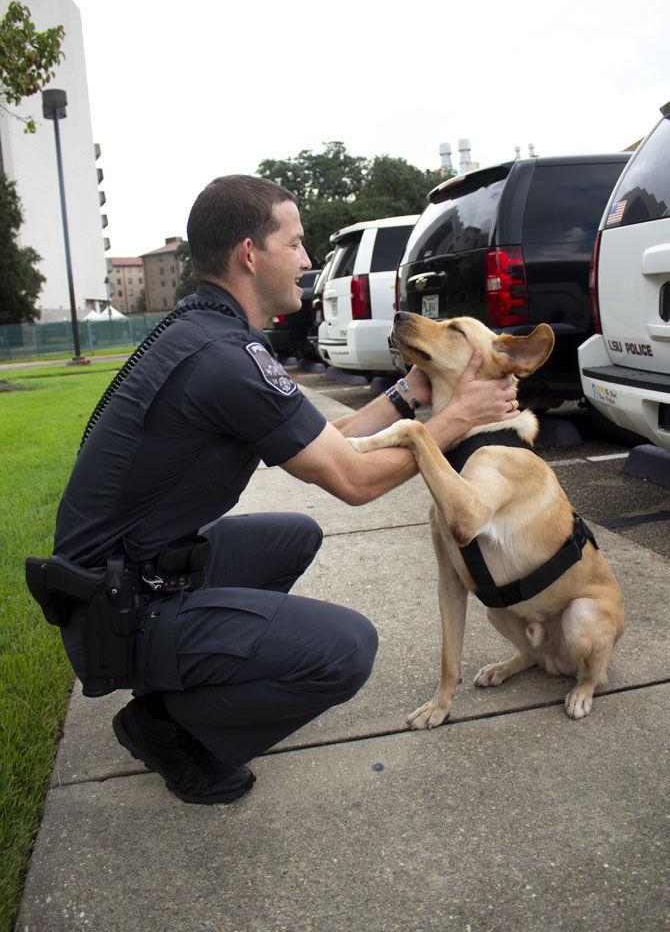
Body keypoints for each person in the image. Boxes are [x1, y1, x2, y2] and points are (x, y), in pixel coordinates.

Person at [53, 175, 519, 805]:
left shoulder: (211, 335)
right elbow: (354, 481)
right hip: (115, 608)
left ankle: (186, 679)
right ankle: (171, 730)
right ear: (250, 253)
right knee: (346, 649)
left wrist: (412, 394)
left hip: (120, 581)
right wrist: (459, 416)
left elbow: (332, 443)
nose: (307, 261)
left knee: (292, 536)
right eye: (296, 244)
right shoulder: (225, 358)